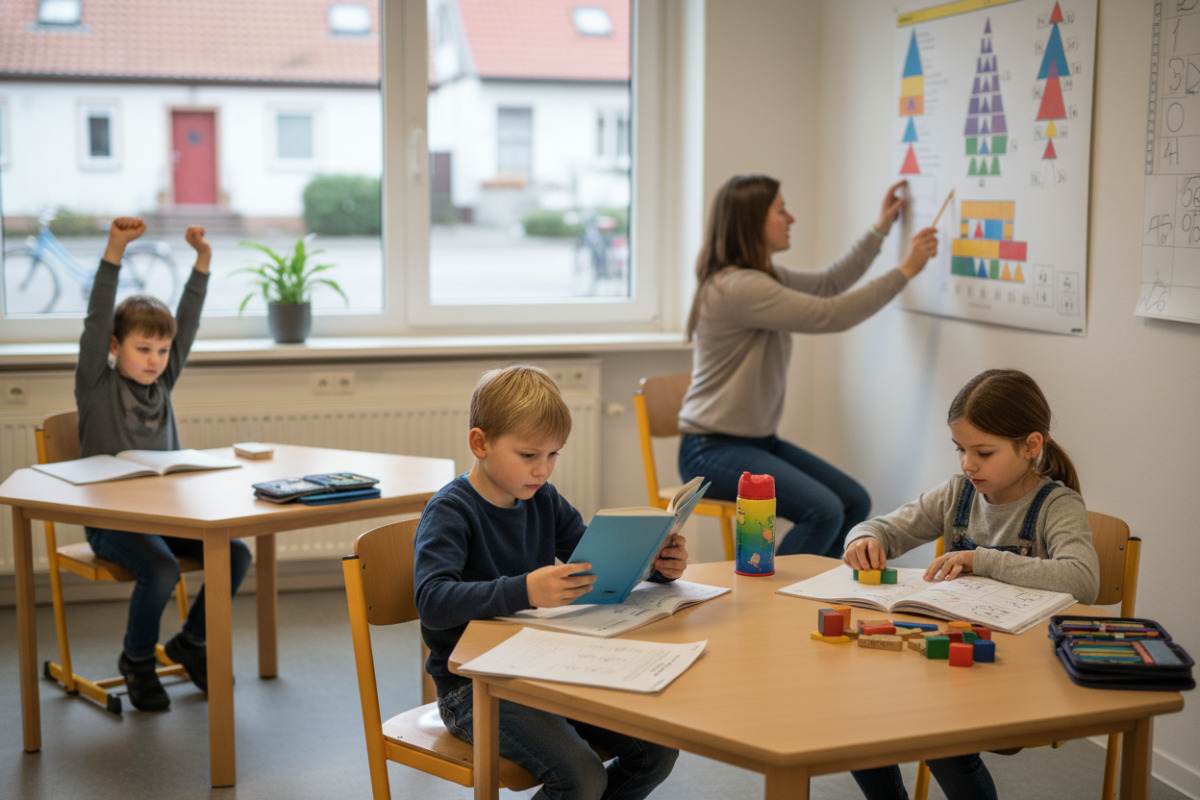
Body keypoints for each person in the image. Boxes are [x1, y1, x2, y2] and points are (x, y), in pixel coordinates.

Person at [414, 365, 686, 800]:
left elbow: (592, 560)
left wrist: (656, 565)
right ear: (480, 443)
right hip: (473, 689)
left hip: (544, 670)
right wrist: (524, 591)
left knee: (657, 750)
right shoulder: (450, 511)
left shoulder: (542, 499)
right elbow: (432, 600)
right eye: (529, 455)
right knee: (581, 778)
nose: (542, 469)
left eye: (553, 454)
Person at [842, 367, 1100, 800]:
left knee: (944, 742)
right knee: (857, 713)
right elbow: (884, 527)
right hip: (950, 659)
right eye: (960, 449)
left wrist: (982, 560)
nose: (967, 463)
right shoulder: (957, 493)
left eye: (983, 452)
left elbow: (1083, 580)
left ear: (1031, 446)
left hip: (1018, 670)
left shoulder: (1058, 506)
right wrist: (864, 538)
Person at [678, 173, 939, 558]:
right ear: (752, 221)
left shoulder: (762, 278)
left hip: (754, 442)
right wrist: (905, 271)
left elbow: (830, 283)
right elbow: (831, 315)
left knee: (853, 502)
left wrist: (880, 230)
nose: (791, 218)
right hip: (710, 450)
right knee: (823, 510)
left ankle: (806, 592)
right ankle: (766, 599)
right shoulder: (740, 287)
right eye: (781, 210)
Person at [76, 218, 252, 711]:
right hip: (110, 522)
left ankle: (191, 642)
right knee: (161, 569)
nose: (155, 360)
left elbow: (187, 323)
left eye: (161, 350)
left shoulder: (162, 383)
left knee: (236, 555)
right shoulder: (96, 385)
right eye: (142, 349)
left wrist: (202, 261)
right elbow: (96, 318)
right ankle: (136, 660)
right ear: (114, 348)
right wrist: (114, 249)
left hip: (166, 517)